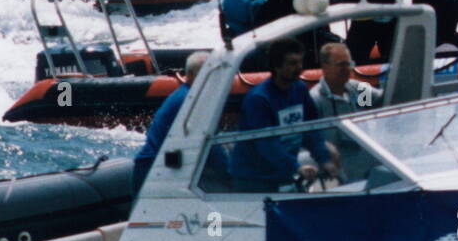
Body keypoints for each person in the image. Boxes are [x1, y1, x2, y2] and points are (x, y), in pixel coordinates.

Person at [228, 39, 339, 192]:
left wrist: (324, 159)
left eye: (300, 62)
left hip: (282, 172)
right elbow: (267, 144)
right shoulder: (259, 99)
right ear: (276, 66)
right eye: (292, 63)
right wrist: (296, 167)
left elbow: (311, 129)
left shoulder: (300, 89)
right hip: (254, 179)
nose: (299, 68)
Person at [133, 51, 209, 193]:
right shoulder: (188, 100)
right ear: (191, 75)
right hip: (155, 169)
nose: (210, 80)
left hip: (161, 166)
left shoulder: (187, 94)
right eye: (205, 75)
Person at [310, 42, 380, 120]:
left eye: (349, 64)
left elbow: (386, 97)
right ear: (325, 67)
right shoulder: (315, 100)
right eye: (342, 65)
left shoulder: (359, 89)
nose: (347, 69)